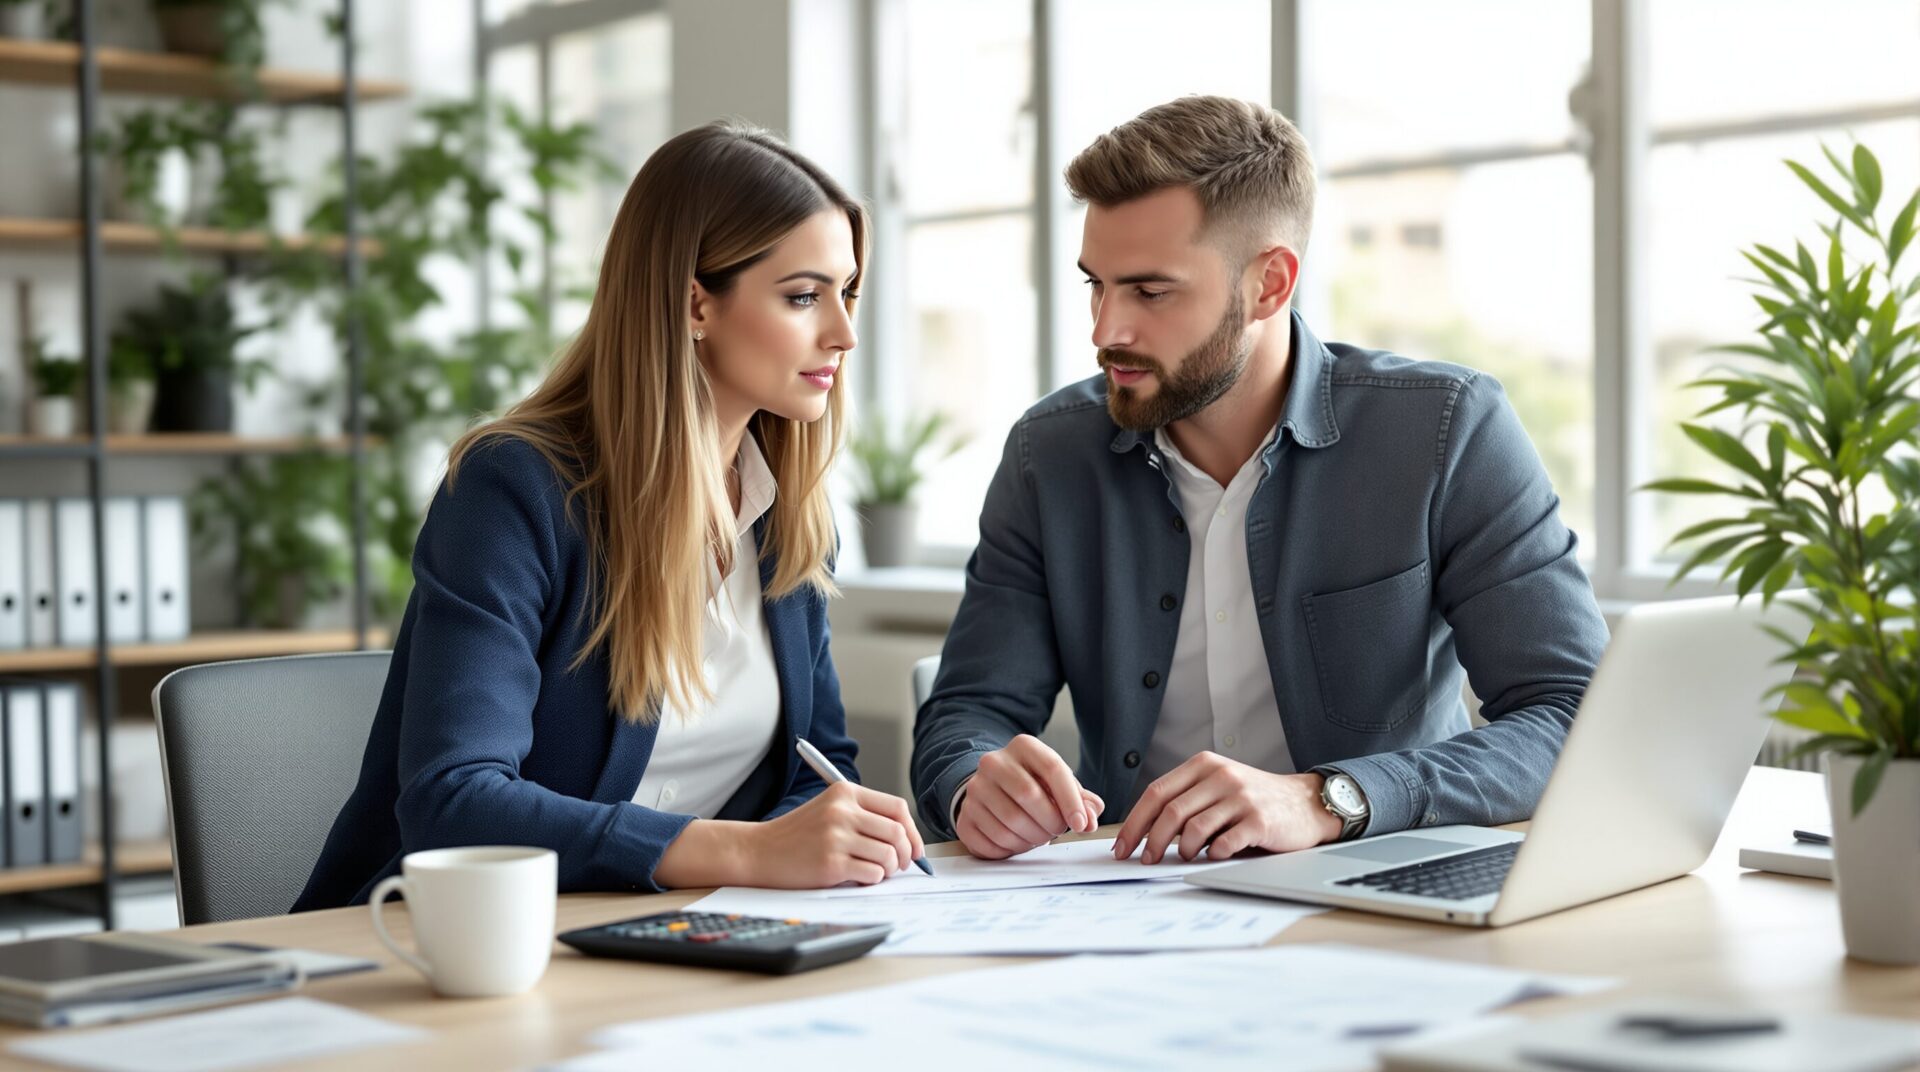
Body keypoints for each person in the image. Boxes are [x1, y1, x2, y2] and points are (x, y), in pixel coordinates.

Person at [911, 96, 1609, 866]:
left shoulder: (1446, 430)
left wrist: (1328, 798)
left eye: (1150, 291)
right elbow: (967, 711)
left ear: (1270, 284)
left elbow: (1577, 715)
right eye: (1095, 285)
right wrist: (975, 784)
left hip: (1376, 884)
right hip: (1130, 898)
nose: (1106, 330)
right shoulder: (1049, 455)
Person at [296, 121, 922, 909]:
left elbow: (814, 772)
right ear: (695, 304)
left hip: (669, 935)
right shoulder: (513, 491)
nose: (845, 333)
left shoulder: (786, 513)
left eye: (847, 292)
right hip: (451, 941)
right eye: (803, 296)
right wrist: (745, 851)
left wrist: (819, 842)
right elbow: (453, 804)